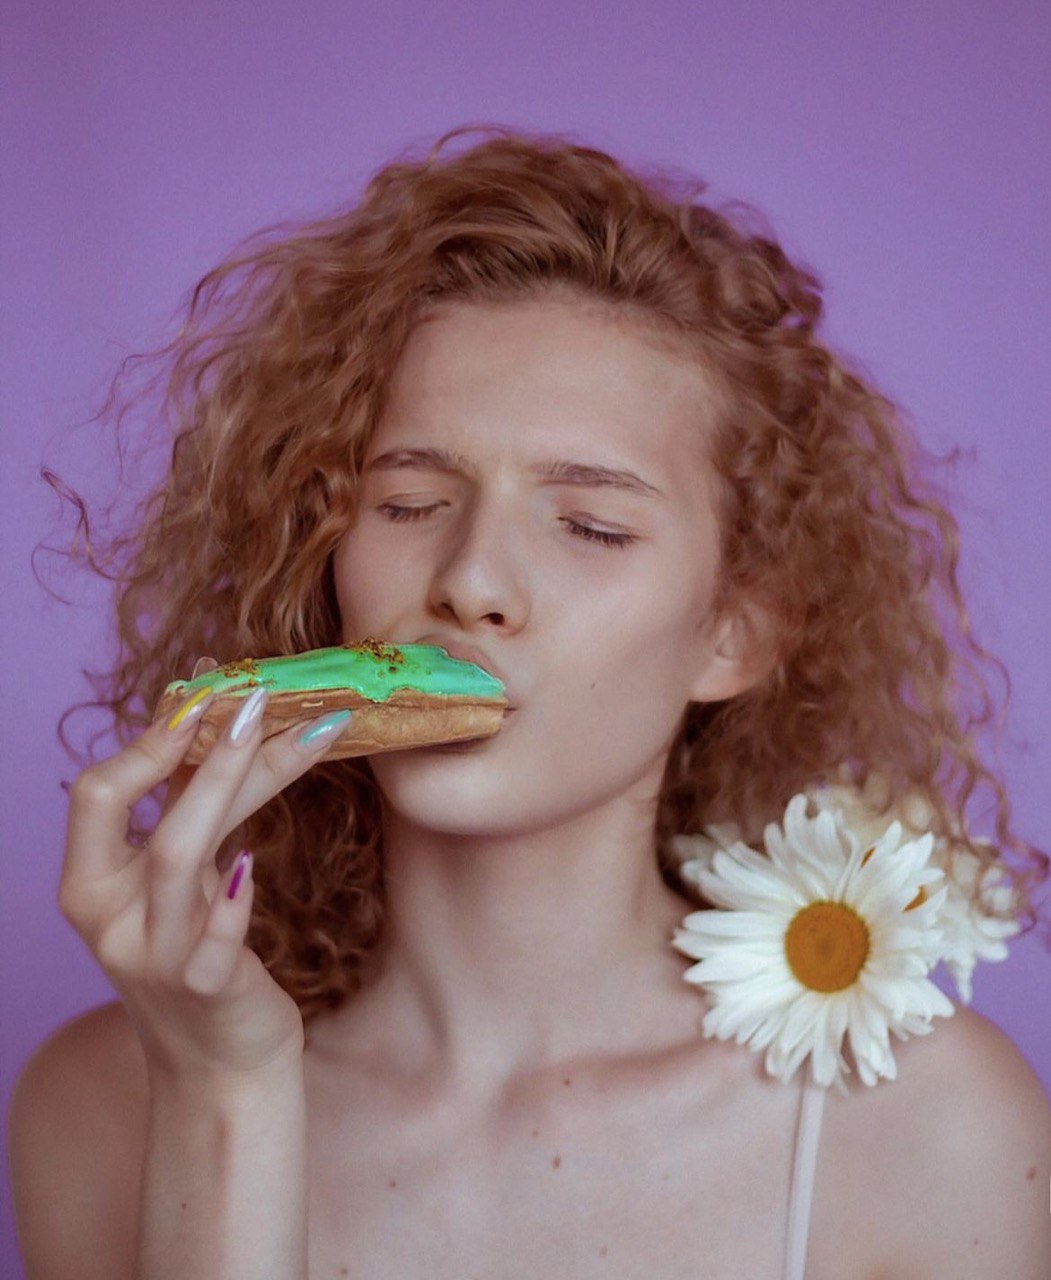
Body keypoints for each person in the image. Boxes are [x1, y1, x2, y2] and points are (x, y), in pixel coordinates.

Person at [8, 125, 1050, 1279]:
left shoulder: (928, 1130)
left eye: (590, 526)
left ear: (733, 631)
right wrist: (225, 1092)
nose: (470, 582)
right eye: (408, 504)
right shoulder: (103, 1107)